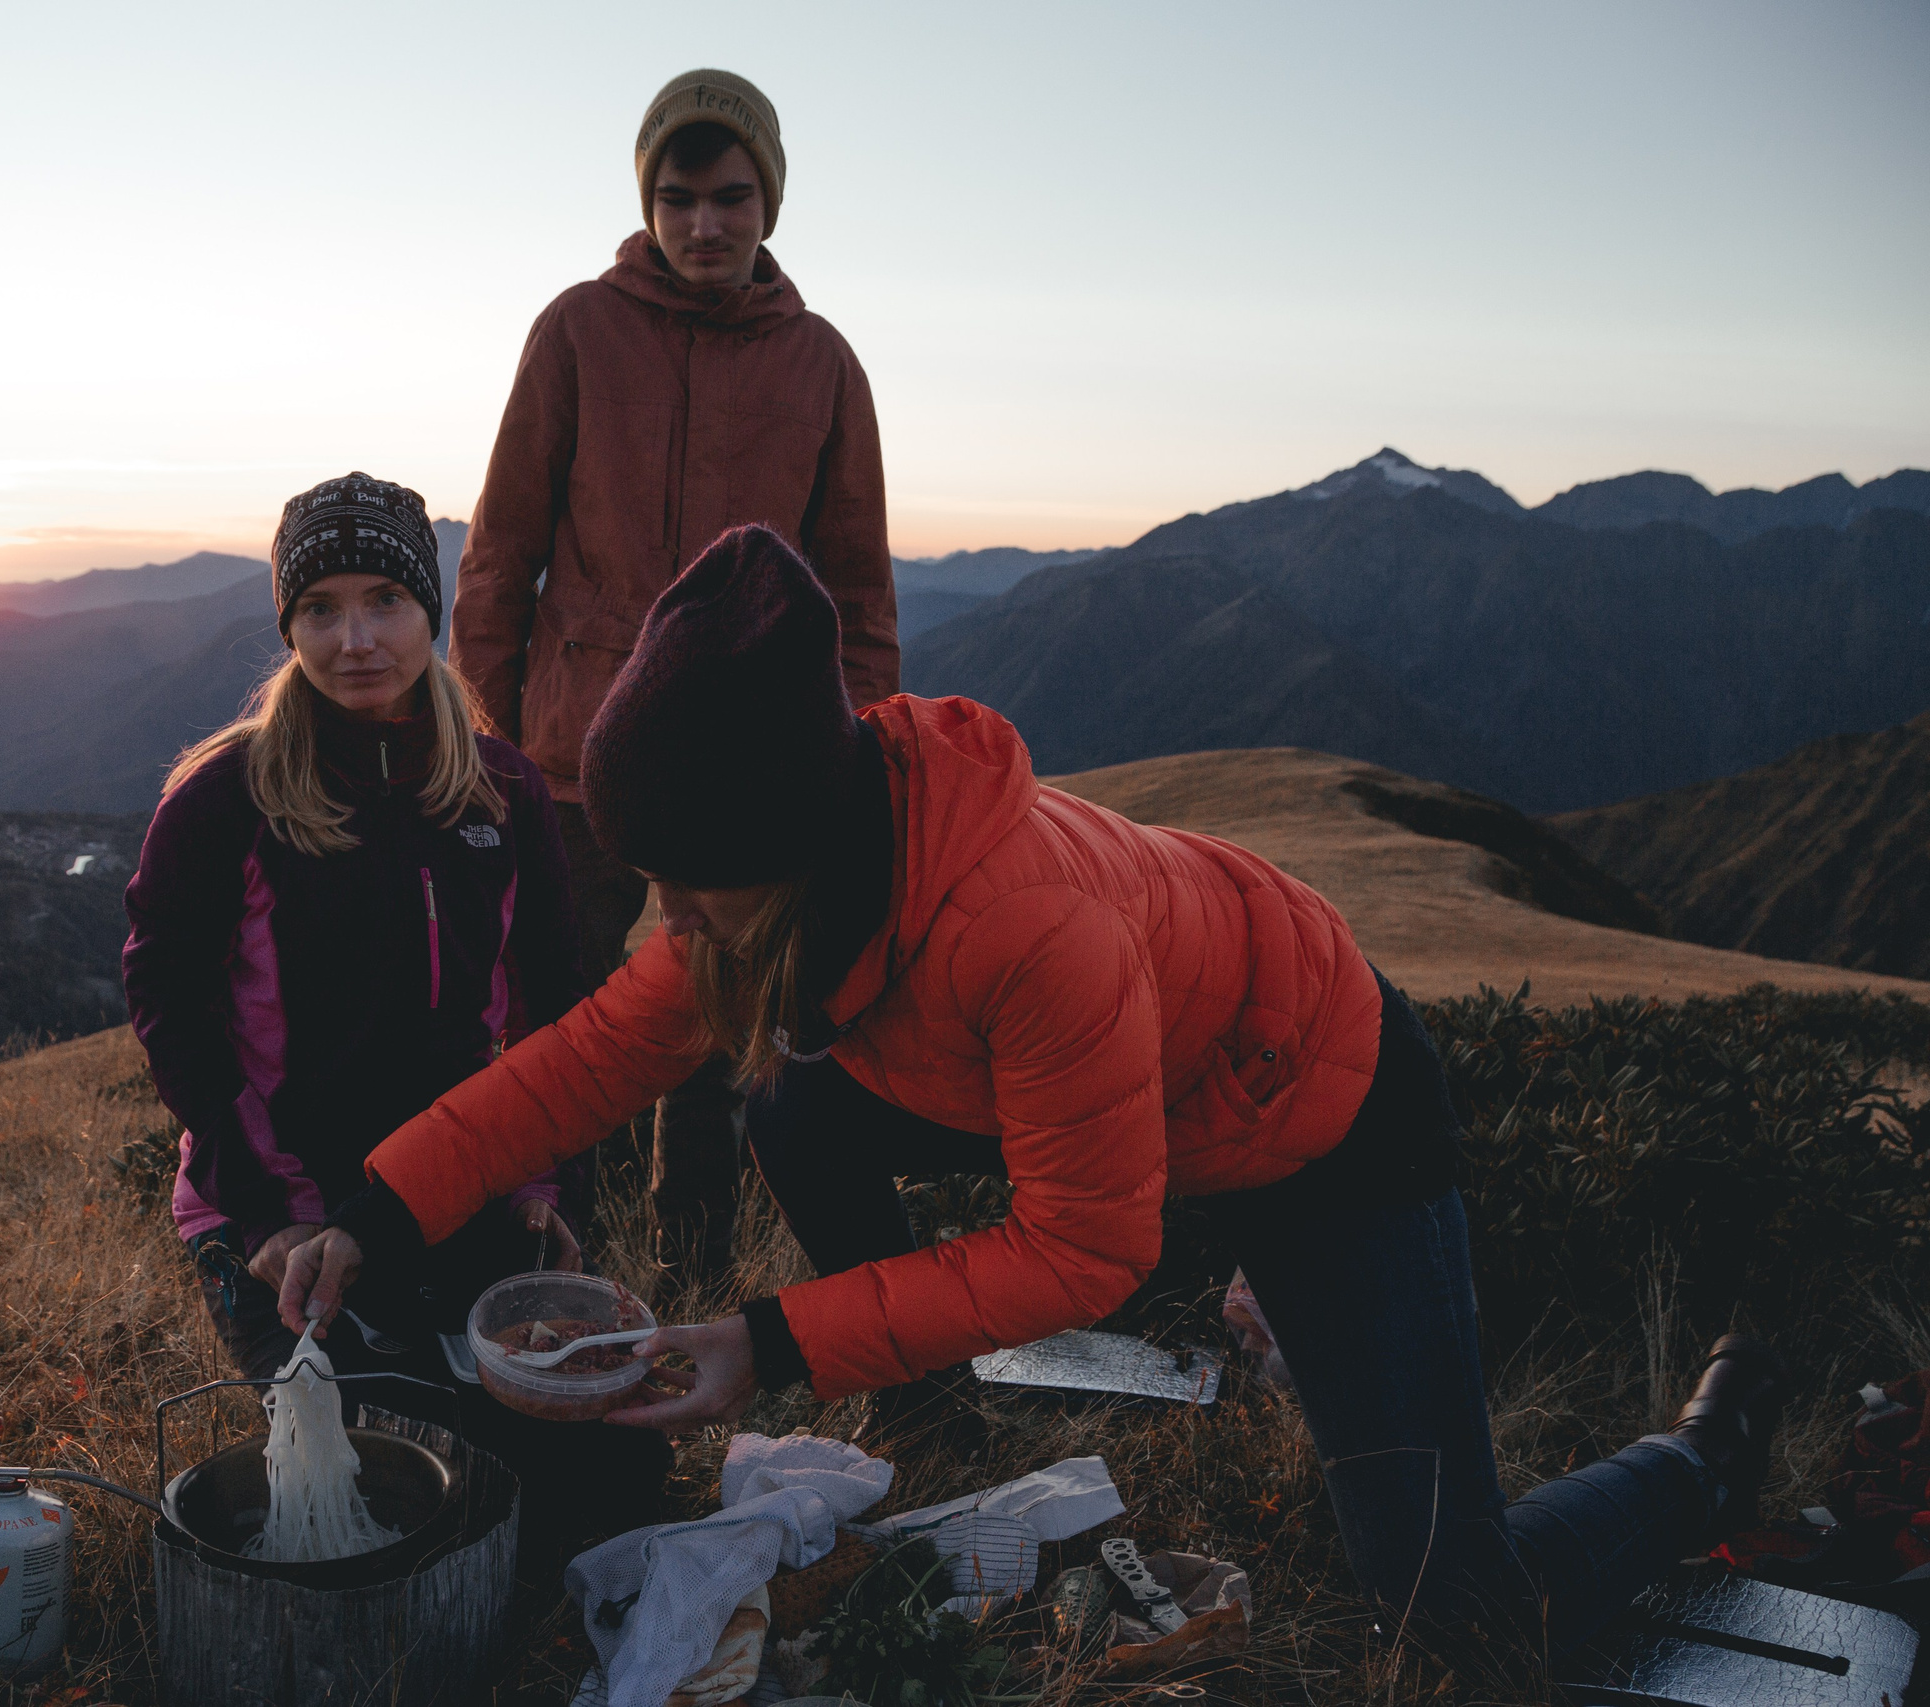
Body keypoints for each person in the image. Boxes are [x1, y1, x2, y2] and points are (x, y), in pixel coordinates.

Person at [277, 523, 1789, 1648]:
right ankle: (943, 1406)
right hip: (1119, 1090)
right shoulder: (773, 879)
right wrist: (375, 1212)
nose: (677, 920)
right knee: (797, 1100)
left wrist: (769, 1340)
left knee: (1452, 1612)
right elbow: (593, 1053)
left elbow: (1088, 1246)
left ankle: (1706, 1445)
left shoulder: (1021, 924)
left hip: (1313, 1113)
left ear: (789, 854)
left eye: (696, 887)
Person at [120, 471, 671, 1553]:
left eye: (386, 601)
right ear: (286, 624)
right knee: (396, 1487)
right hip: (275, 1206)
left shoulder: (503, 792)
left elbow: (554, 1010)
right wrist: (274, 1216)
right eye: (319, 609)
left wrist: (541, 1186)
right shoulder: (223, 799)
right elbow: (172, 1016)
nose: (354, 638)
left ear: (434, 612)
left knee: (601, 1480)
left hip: (463, 1188)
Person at [451, 68, 901, 1277]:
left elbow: (856, 587)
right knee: (552, 1018)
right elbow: (499, 557)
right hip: (567, 758)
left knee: (719, 1028)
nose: (705, 223)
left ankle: (692, 1267)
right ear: (646, 202)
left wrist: (857, 752)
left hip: (747, 770)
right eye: (678, 196)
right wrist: (478, 743)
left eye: (732, 197)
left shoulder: (823, 364)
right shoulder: (575, 332)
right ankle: (553, 1253)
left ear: (770, 204)